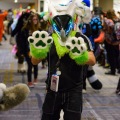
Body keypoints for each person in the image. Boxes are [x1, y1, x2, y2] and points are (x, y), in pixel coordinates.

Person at [29, 0, 96, 119]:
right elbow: (34, 61)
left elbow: (92, 60)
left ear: (74, 19)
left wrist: (81, 55)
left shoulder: (80, 38)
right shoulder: (48, 39)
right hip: (53, 89)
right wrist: (38, 51)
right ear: (51, 21)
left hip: (74, 90)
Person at [19, 13, 41, 87]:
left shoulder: (39, 29)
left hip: (36, 50)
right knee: (30, 65)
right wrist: (21, 51)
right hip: (28, 50)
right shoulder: (25, 29)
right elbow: (21, 41)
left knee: (35, 65)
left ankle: (35, 78)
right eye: (34, 19)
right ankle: (29, 81)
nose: (35, 21)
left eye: (36, 19)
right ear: (30, 20)